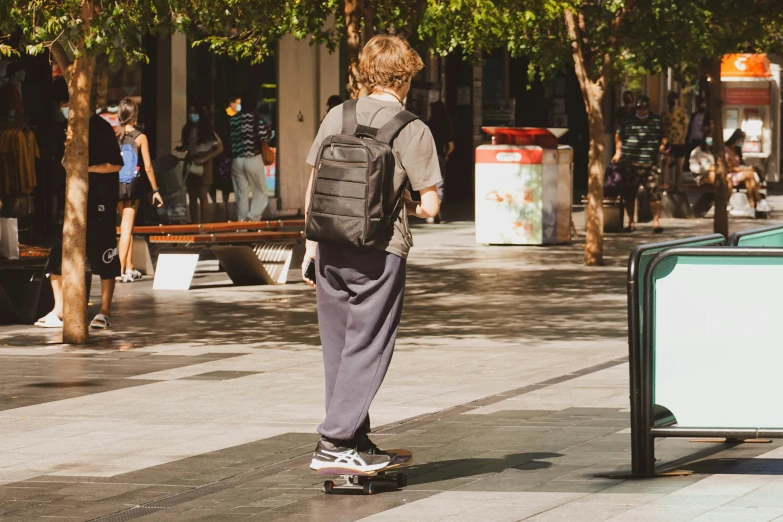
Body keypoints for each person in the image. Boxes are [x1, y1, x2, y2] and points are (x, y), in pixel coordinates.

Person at [302, 35, 442, 474]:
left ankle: (354, 439)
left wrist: (308, 250)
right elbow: (431, 204)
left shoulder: (336, 115)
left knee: (339, 350)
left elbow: (313, 188)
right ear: (404, 76)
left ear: (367, 71)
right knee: (369, 345)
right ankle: (334, 442)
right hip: (379, 251)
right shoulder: (412, 128)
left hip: (327, 244)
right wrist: (411, 202)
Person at [35, 111, 124, 329]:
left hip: (98, 200)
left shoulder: (100, 127)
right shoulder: (62, 127)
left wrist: (86, 169)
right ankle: (59, 309)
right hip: (69, 203)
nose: (64, 108)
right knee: (57, 254)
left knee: (103, 253)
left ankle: (105, 310)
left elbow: (116, 164)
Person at [115, 98, 162, 283]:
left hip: (116, 186)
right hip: (133, 186)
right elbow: (148, 166)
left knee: (127, 226)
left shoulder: (115, 137)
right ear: (135, 114)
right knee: (126, 228)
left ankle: (129, 266)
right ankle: (118, 269)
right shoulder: (140, 137)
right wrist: (155, 189)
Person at [612, 94, 667, 233]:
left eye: (643, 109)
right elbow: (619, 135)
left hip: (650, 163)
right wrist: (618, 151)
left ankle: (656, 222)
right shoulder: (627, 120)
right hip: (631, 163)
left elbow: (663, 137)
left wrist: (662, 147)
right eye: (639, 109)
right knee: (629, 194)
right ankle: (631, 222)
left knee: (654, 193)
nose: (641, 111)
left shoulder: (656, 120)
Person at [229, 90, 272, 222]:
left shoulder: (234, 120)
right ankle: (252, 218)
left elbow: (228, 137)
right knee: (261, 190)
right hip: (253, 158)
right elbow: (266, 135)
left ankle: (241, 225)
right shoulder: (256, 119)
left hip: (237, 160)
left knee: (242, 193)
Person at [181, 103, 223, 224]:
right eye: (190, 112)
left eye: (194, 112)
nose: (192, 115)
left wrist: (205, 159)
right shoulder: (187, 130)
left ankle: (204, 225)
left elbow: (219, 148)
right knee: (192, 196)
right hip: (191, 162)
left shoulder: (208, 131)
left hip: (204, 164)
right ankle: (194, 224)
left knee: (203, 195)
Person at [424, 100, 454, 224]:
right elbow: (451, 146)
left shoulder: (427, 125)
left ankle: (430, 211)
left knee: (428, 184)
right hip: (440, 156)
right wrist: (446, 155)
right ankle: (435, 211)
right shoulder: (446, 126)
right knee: (439, 185)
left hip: (427, 157)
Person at [725, 129, 762, 216]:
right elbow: (729, 167)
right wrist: (745, 169)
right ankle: (759, 200)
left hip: (739, 173)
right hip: (730, 174)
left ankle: (752, 207)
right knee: (750, 174)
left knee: (750, 180)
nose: (741, 143)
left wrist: (746, 168)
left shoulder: (737, 150)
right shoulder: (726, 150)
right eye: (741, 140)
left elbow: (740, 163)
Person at [660, 91, 688, 186]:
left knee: (679, 163)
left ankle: (677, 184)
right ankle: (664, 183)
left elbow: (685, 126)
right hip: (667, 140)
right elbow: (662, 125)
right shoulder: (665, 112)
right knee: (665, 162)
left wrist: (682, 138)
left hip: (678, 140)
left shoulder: (681, 112)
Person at [685, 99, 710, 169]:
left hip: (701, 138)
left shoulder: (707, 116)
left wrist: (706, 130)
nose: (702, 106)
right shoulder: (693, 116)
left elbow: (709, 127)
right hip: (693, 138)